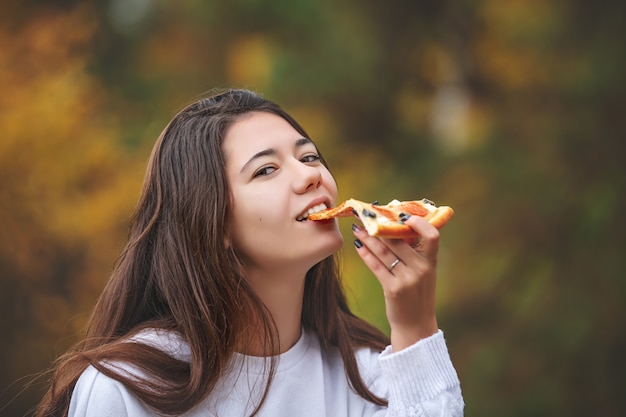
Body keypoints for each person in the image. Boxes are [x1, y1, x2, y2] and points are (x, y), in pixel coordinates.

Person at [36, 89, 464, 417]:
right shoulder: (126, 389)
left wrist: (416, 327)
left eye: (309, 156)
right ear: (213, 221)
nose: (310, 176)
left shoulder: (370, 376)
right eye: (266, 170)